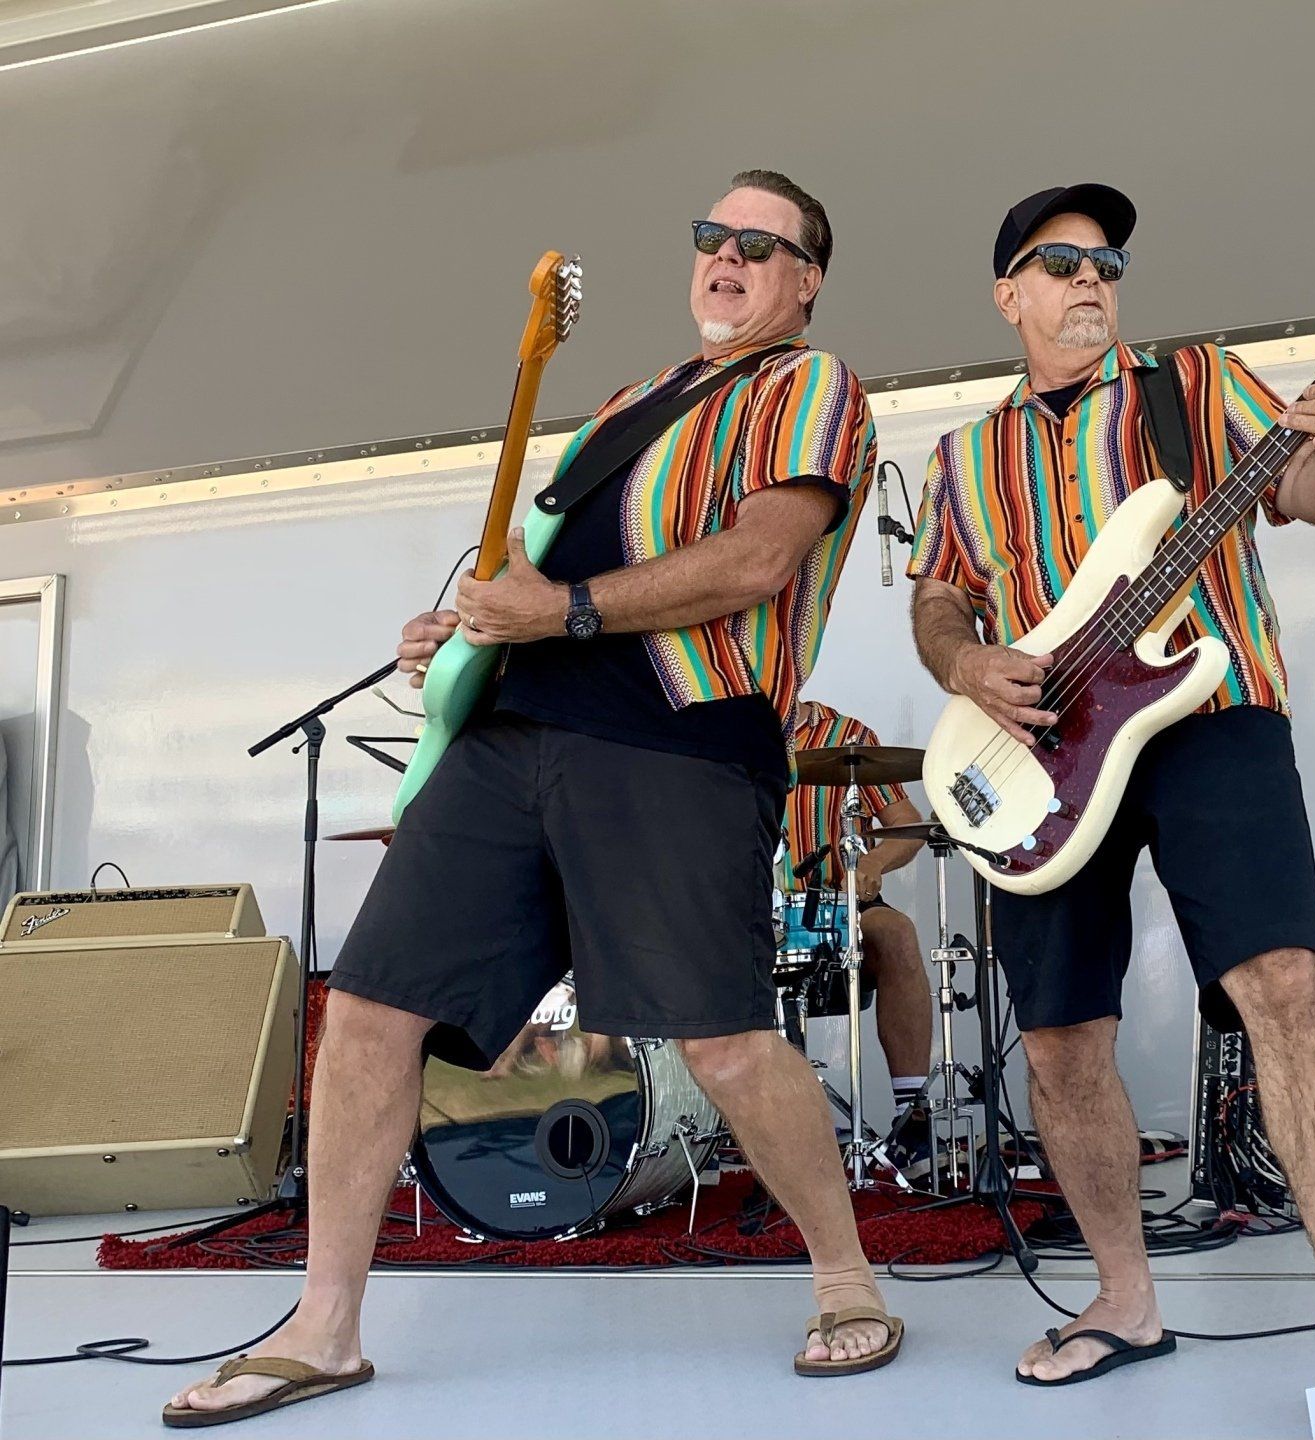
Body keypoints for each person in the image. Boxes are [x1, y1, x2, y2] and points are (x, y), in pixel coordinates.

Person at [166, 168, 902, 1429]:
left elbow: (760, 558)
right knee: (369, 1010)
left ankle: (847, 1280)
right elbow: (526, 575)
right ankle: (325, 1328)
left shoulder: (811, 387)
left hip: (678, 738)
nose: (725, 256)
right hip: (516, 737)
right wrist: (459, 633)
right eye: (710, 235)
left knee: (722, 1036)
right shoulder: (628, 402)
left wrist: (554, 610)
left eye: (758, 243)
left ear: (806, 279)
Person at [907, 183, 1315, 1385]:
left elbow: (1306, 493)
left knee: (1286, 985)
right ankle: (1124, 1300)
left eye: (1107, 263)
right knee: (1064, 1039)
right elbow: (938, 595)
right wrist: (966, 662)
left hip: (1208, 715)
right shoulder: (964, 455)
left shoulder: (1197, 389)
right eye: (1058, 261)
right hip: (1042, 751)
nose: (1090, 279)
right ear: (1007, 293)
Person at [779, 698, 937, 1173]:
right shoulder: (723, 738)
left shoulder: (847, 736)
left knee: (898, 933)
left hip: (841, 906)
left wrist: (869, 864)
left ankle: (914, 1119)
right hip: (753, 914)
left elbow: (907, 825)